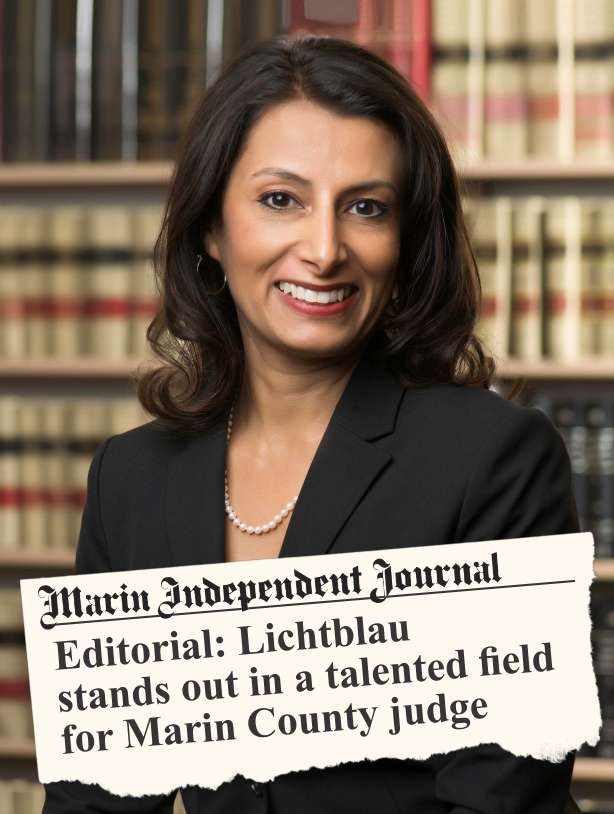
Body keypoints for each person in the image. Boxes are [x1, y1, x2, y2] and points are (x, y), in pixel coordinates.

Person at [43, 35, 579, 814]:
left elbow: (502, 798)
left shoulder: (492, 459)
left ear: (404, 244)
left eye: (366, 208)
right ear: (211, 230)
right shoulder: (132, 479)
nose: (324, 250)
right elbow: (95, 801)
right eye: (280, 199)